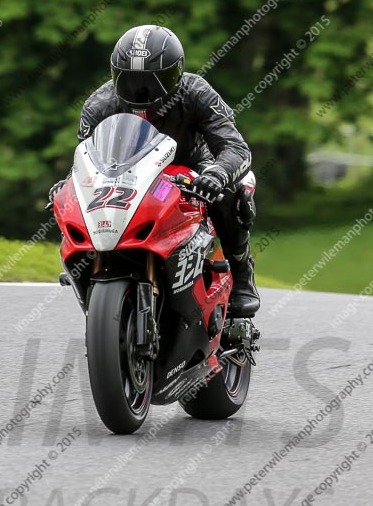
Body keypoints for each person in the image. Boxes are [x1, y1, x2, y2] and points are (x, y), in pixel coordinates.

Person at [49, 25, 260, 317]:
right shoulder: (99, 106)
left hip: (191, 169)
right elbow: (86, 161)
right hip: (126, 175)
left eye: (153, 81)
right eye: (130, 80)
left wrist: (216, 175)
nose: (140, 91)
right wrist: (68, 184)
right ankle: (92, 275)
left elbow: (236, 148)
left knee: (232, 195)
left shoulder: (197, 93)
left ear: (176, 75)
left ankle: (241, 273)